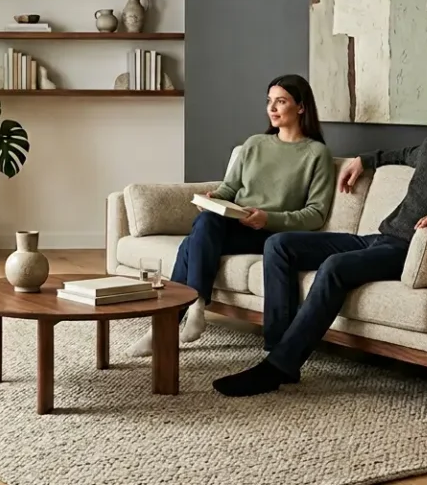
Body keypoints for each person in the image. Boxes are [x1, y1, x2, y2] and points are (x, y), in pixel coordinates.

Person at [212, 61, 427, 396]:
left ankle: (275, 370)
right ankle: (278, 351)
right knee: (280, 245)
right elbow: (402, 154)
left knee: (334, 267)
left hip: (408, 250)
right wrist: (365, 159)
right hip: (379, 238)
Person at [126, 74, 336, 357]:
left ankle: (169, 324)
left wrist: (268, 218)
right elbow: (229, 188)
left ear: (300, 107)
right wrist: (215, 199)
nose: (272, 109)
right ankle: (196, 304)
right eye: (269, 101)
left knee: (191, 244)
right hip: (237, 226)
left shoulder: (316, 153)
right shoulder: (254, 144)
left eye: (281, 101)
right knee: (206, 221)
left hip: (273, 235)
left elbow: (315, 215)